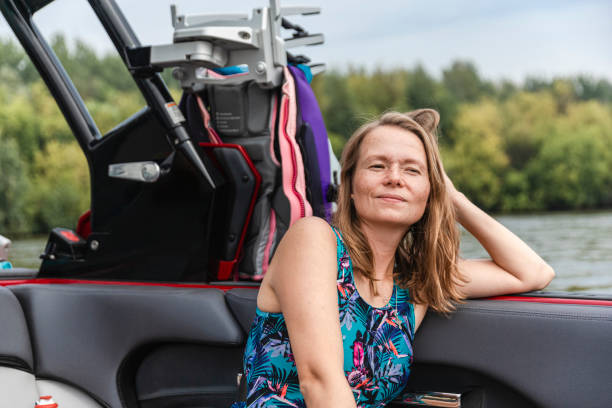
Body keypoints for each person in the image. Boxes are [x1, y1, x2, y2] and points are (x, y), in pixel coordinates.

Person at [238, 109, 554, 407]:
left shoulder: (413, 282)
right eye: (377, 166)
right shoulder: (312, 239)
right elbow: (320, 383)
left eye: (412, 170)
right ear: (350, 186)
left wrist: (453, 198)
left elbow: (533, 272)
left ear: (430, 192)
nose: (394, 177)